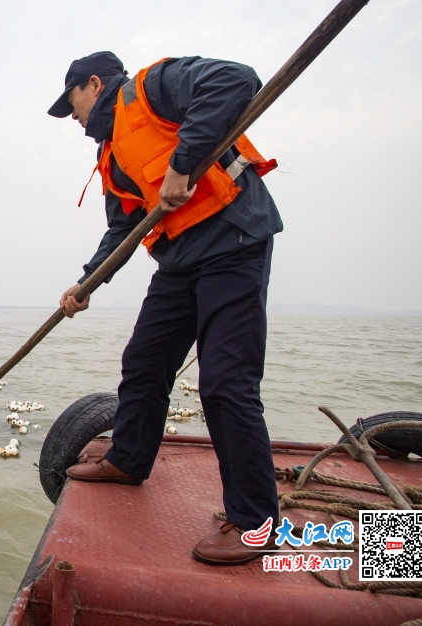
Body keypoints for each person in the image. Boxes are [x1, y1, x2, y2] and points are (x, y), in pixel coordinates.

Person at [48, 51, 283, 565]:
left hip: (233, 241)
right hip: (181, 262)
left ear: (94, 84)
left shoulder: (151, 88)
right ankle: (129, 460)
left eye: (73, 105)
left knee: (225, 383)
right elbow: (122, 230)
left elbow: (237, 80)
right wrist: (87, 281)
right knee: (144, 362)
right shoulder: (112, 156)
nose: (75, 119)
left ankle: (255, 521)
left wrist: (182, 164)